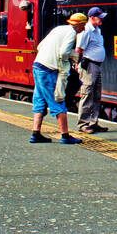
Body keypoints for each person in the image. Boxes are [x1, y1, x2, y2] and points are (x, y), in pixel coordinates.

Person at [30, 12, 87, 144]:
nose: (84, 29)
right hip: (48, 69)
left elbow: (39, 46)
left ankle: (36, 133)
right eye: (83, 26)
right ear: (79, 25)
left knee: (40, 101)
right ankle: (65, 136)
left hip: (37, 66)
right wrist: (69, 62)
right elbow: (63, 53)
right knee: (58, 99)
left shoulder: (58, 29)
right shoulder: (72, 33)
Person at [74, 6, 108, 132]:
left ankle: (93, 122)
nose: (101, 20)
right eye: (99, 18)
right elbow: (79, 49)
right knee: (87, 94)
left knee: (96, 94)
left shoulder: (97, 30)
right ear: (92, 18)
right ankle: (83, 124)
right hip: (89, 65)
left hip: (96, 65)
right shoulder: (86, 31)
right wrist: (77, 65)